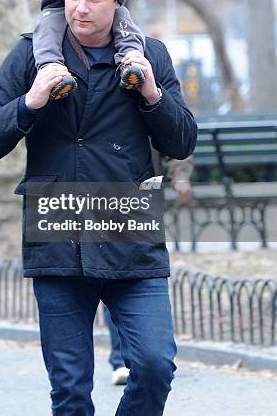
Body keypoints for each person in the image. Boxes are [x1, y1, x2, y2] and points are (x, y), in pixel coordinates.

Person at [0, 0, 197, 415]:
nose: (81, 8)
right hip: (58, 235)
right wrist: (29, 103)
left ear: (117, 3)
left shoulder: (149, 55)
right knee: (71, 390)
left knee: (155, 365)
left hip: (130, 234)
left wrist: (153, 94)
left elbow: (183, 140)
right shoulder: (32, 52)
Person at [104, 153, 195, 387]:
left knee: (130, 273)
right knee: (108, 270)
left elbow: (173, 137)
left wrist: (181, 176)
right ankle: (122, 358)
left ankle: (137, 356)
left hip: (141, 190)